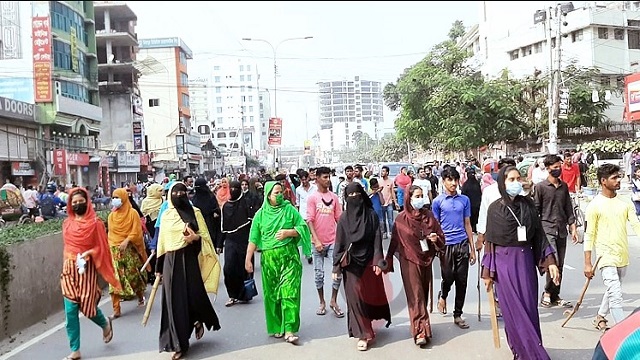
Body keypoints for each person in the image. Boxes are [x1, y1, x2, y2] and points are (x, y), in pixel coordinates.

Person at [482, 165, 560, 360]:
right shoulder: (495, 209)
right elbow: (490, 241)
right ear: (502, 183)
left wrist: (550, 261)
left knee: (528, 309)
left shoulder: (529, 206)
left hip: (525, 262)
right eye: (511, 180)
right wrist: (487, 272)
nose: (516, 183)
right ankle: (526, 353)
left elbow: (539, 236)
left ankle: (529, 350)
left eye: (518, 179)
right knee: (513, 312)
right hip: (503, 264)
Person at [156, 182, 221, 360]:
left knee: (192, 297)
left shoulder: (196, 213)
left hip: (189, 261)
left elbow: (206, 239)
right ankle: (179, 343)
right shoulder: (167, 215)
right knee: (174, 302)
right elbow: (163, 242)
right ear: (170, 195)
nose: (180, 195)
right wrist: (159, 268)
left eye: (183, 192)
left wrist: (194, 238)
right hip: (170, 262)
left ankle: (196, 319)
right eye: (176, 193)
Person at [245, 181, 312, 344]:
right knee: (273, 295)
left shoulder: (289, 210)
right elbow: (253, 238)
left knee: (290, 292)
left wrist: (289, 232)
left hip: (290, 258)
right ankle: (276, 326)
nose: (280, 195)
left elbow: (303, 227)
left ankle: (289, 329)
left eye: (281, 192)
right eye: (276, 193)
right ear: (268, 195)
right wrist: (248, 258)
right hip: (269, 260)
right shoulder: (260, 215)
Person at [61, 188, 120, 360]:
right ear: (70, 205)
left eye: (81, 201)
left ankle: (104, 323)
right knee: (70, 310)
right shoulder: (67, 224)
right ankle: (75, 349)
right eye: (74, 202)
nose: (78, 205)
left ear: (87, 202)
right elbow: (67, 247)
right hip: (69, 269)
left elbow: (102, 248)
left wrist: (88, 254)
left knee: (88, 308)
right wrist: (68, 263)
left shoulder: (96, 223)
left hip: (86, 270)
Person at [332, 182, 391, 351]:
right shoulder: (344, 218)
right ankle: (364, 333)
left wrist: (379, 261)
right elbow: (340, 243)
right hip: (351, 264)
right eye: (350, 196)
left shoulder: (371, 215)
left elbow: (377, 239)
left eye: (356, 195)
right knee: (355, 299)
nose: (354, 199)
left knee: (368, 297)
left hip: (369, 262)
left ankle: (369, 324)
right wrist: (336, 267)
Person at [386, 185, 445, 346]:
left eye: (422, 196)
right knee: (416, 295)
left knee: (423, 294)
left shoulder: (429, 216)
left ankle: (420, 323)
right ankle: (420, 331)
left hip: (425, 259)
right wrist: (388, 259)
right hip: (409, 261)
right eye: (417, 196)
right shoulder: (401, 219)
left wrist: (435, 239)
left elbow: (441, 236)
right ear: (409, 199)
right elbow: (394, 241)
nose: (420, 200)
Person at [584, 164, 640, 331]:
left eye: (618, 177)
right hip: (605, 257)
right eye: (614, 178)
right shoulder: (594, 205)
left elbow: (636, 225)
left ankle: (600, 316)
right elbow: (589, 235)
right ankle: (622, 331)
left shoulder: (625, 202)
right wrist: (587, 263)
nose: (618, 181)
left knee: (613, 289)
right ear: (603, 181)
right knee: (615, 293)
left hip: (622, 255)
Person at [431, 168, 476, 329]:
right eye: (449, 180)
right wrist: (435, 245)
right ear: (443, 181)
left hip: (462, 242)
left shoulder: (464, 200)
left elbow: (468, 224)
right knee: (448, 276)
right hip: (446, 245)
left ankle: (458, 314)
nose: (453, 183)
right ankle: (443, 295)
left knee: (462, 280)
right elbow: (434, 226)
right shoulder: (437, 202)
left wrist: (472, 248)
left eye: (455, 180)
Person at [534, 154, 578, 309]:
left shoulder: (563, 186)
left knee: (560, 264)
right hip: (547, 229)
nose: (558, 169)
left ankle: (555, 295)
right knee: (553, 262)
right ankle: (547, 293)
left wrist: (573, 227)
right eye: (555, 168)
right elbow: (536, 210)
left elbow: (568, 208)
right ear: (547, 169)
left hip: (561, 229)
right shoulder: (540, 187)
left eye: (559, 167)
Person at [306, 166, 344, 318]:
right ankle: (322, 302)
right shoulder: (312, 198)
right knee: (319, 274)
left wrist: (343, 239)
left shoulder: (334, 198)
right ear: (317, 179)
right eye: (324, 177)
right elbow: (309, 220)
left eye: (329, 177)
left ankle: (333, 301)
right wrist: (316, 240)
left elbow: (339, 219)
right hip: (318, 242)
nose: (328, 180)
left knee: (337, 272)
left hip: (333, 240)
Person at [107, 188, 148, 318]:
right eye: (113, 197)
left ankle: (140, 296)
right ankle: (116, 309)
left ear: (124, 198)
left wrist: (127, 240)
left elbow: (136, 231)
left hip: (129, 249)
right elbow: (111, 233)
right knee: (114, 279)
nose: (115, 200)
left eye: (117, 197)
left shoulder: (133, 213)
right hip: (115, 250)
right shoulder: (111, 216)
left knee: (133, 275)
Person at [221, 180, 255, 306]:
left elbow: (252, 222)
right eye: (232, 188)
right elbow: (223, 226)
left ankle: (245, 293)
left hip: (244, 240)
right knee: (229, 268)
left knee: (243, 267)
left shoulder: (246, 203)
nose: (234, 190)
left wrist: (254, 241)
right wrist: (219, 244)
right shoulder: (226, 206)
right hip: (230, 240)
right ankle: (232, 295)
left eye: (237, 188)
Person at [461, 169, 482, 233]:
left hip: (469, 204)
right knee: (475, 216)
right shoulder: (477, 183)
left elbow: (463, 194)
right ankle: (474, 228)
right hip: (476, 204)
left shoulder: (465, 185)